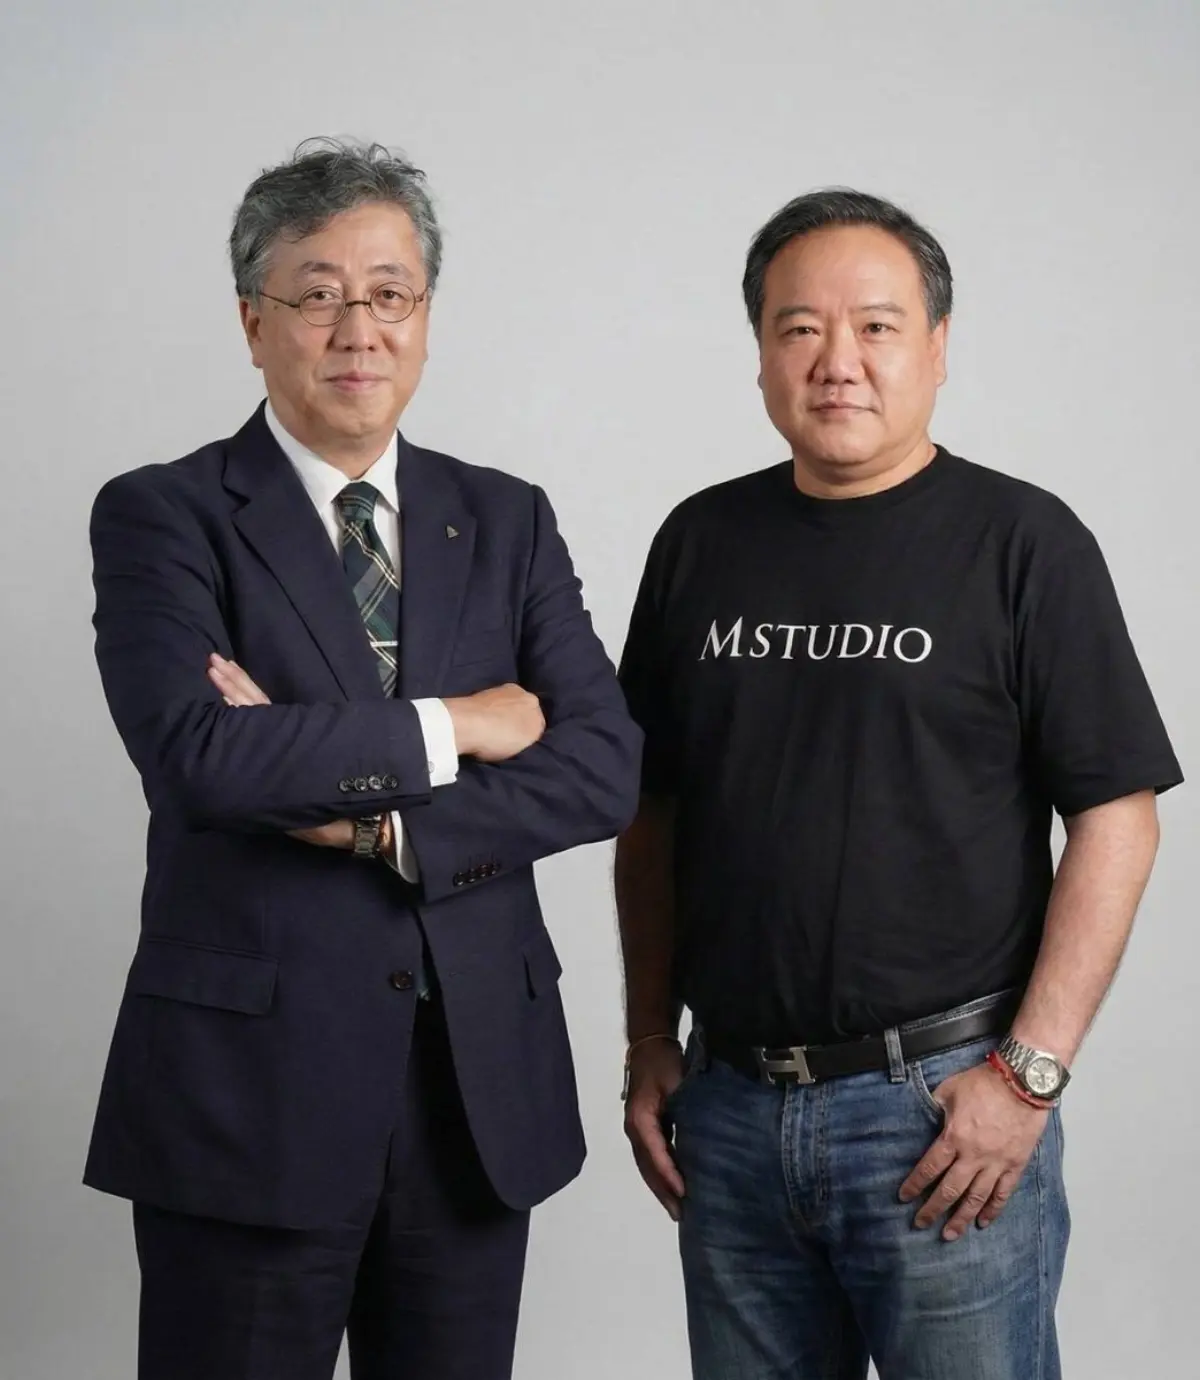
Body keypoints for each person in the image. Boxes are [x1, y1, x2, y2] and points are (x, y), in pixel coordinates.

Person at [84, 137, 641, 1380]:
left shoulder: (506, 516)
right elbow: (201, 759)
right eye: (319, 294)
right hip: (247, 1099)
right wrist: (466, 725)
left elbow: (604, 766)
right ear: (253, 320)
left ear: (426, 317)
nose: (359, 329)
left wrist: (376, 824)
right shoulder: (164, 513)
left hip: (471, 1094)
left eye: (391, 294)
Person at [615, 187, 1182, 1379]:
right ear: (761, 352)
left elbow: (1118, 821)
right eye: (798, 328)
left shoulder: (1023, 544)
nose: (838, 361)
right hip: (729, 1109)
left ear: (937, 347)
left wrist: (1027, 1079)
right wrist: (647, 1037)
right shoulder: (698, 543)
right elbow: (651, 813)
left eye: (876, 326)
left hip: (938, 1113)